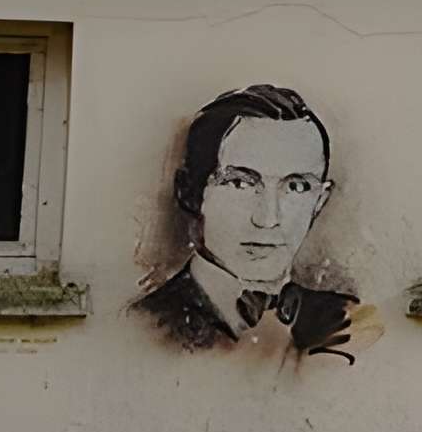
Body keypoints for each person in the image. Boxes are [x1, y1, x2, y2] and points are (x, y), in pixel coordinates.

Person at [134, 84, 363, 361]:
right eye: (240, 183)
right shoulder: (140, 327)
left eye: (296, 186)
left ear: (319, 202)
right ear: (191, 193)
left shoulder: (346, 320)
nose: (268, 220)